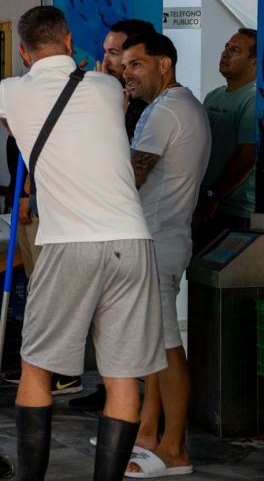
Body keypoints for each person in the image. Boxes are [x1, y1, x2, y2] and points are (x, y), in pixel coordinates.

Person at [0, 6, 166, 481]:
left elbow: (16, 130)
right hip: (131, 239)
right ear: (70, 42)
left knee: (37, 367)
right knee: (122, 374)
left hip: (68, 241)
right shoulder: (108, 89)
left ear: (24, 52)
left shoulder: (11, 92)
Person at [121, 32, 209, 477]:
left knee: (168, 347)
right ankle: (148, 432)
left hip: (157, 240)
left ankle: (175, 449)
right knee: (156, 345)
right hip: (163, 237)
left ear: (164, 64)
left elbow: (130, 177)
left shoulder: (166, 111)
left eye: (136, 64)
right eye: (124, 65)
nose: (127, 73)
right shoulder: (177, 105)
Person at [68, 18, 157, 412]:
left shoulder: (145, 109)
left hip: (134, 228)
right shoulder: (103, 97)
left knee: (134, 327)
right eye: (105, 52)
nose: (107, 61)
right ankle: (111, 390)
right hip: (103, 226)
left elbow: (124, 168)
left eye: (116, 54)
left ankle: (137, 407)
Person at [193, 28, 257, 252]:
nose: (225, 53)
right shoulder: (214, 95)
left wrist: (215, 194)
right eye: (226, 47)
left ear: (255, 61)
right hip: (205, 202)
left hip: (234, 209)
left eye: (235, 50)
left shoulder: (253, 99)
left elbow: (247, 155)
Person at [94, 19, 158, 141]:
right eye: (105, 52)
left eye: (113, 53)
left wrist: (106, 91)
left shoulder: (149, 105)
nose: (105, 62)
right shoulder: (121, 92)